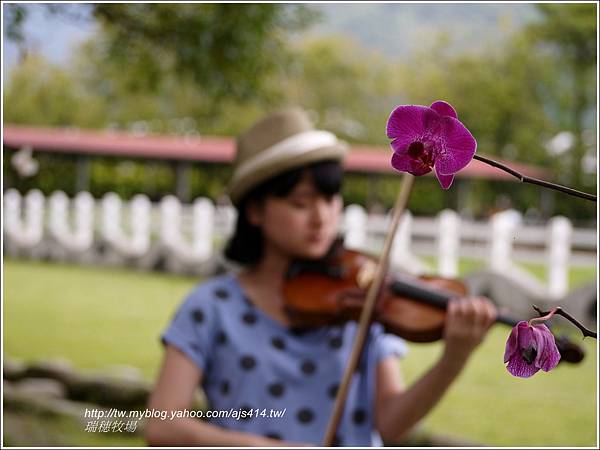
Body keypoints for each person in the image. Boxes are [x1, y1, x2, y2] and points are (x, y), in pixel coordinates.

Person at [145, 108, 498, 446]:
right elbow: (162, 427)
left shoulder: (362, 300)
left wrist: (453, 359)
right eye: (301, 203)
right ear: (255, 210)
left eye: (330, 201)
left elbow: (392, 423)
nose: (321, 218)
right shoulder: (210, 307)